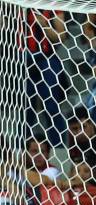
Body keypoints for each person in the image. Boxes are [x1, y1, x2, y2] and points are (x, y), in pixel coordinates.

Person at [26, 9, 67, 147]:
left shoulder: (52, 5)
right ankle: (23, 149)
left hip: (47, 56)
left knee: (51, 106)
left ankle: (58, 149)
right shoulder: (14, 6)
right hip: (21, 59)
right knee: (26, 106)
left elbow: (61, 37)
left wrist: (44, 25)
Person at [67, 106, 96, 182]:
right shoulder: (72, 139)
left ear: (91, 124)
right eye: (75, 129)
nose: (80, 132)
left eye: (83, 127)